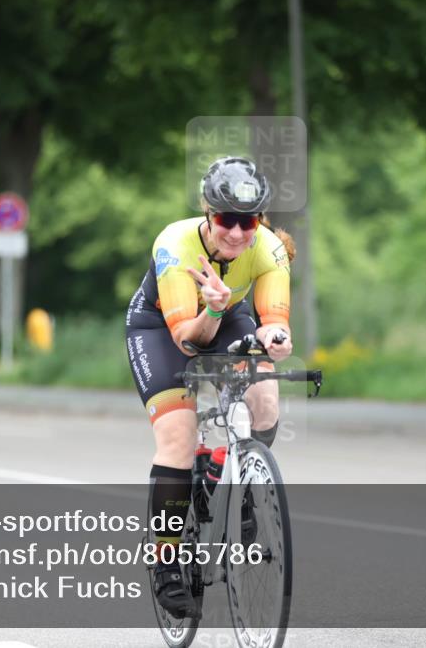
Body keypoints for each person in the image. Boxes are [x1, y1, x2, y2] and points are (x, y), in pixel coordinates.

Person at [125, 156, 296, 618]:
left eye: (249, 221)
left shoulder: (268, 249)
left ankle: (231, 474)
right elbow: (189, 341)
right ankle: (166, 560)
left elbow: (273, 319)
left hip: (225, 314)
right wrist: (214, 310)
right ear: (207, 212)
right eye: (226, 220)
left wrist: (275, 337)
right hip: (162, 329)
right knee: (178, 439)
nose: (237, 233)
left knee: (265, 400)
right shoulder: (175, 245)